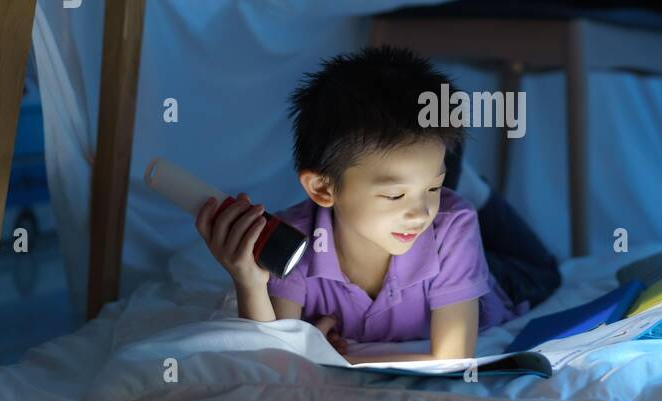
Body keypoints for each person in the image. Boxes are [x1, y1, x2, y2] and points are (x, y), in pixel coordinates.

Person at [194, 45, 558, 363]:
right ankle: (442, 175)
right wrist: (249, 282)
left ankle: (464, 185)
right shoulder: (295, 243)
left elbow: (451, 357)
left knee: (543, 269)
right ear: (322, 189)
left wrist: (337, 360)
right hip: (436, 255)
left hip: (502, 282)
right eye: (394, 195)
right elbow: (272, 357)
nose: (419, 213)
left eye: (433, 187)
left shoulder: (453, 222)